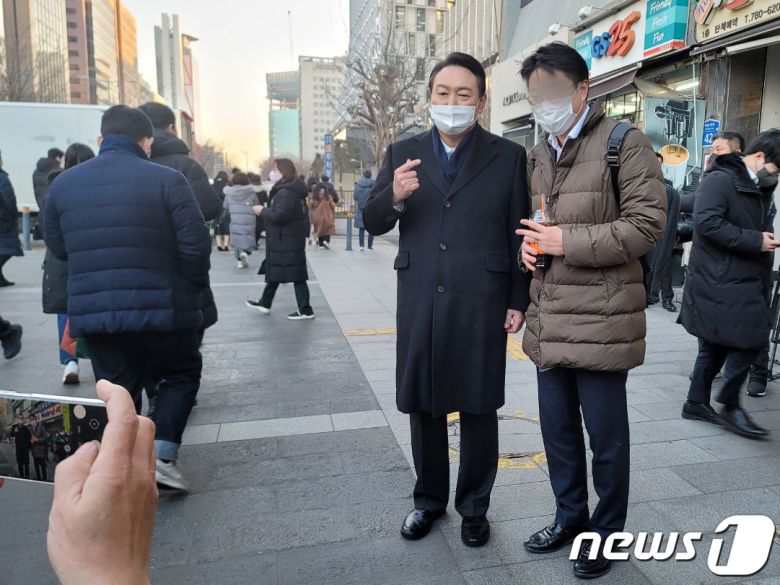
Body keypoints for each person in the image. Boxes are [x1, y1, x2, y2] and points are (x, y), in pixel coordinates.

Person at [363, 52, 530, 549]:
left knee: (479, 403)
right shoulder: (403, 151)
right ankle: (429, 500)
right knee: (424, 401)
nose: (452, 101)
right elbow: (372, 221)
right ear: (429, 98)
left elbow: (518, 230)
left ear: (480, 102)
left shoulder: (507, 156)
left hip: (483, 297)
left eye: (463, 94)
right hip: (420, 296)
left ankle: (475, 507)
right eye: (443, 92)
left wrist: (518, 297)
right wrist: (394, 194)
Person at [516, 42, 665, 579]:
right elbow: (536, 225)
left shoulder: (624, 142)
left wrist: (565, 241)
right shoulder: (537, 154)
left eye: (553, 92)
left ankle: (606, 533)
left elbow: (647, 225)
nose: (544, 104)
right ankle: (569, 518)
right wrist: (529, 249)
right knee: (557, 435)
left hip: (602, 321)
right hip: (549, 317)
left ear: (583, 89)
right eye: (535, 96)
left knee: (605, 440)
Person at [44, 105, 211, 492]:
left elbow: (59, 247)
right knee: (179, 375)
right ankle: (163, 456)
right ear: (147, 141)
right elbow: (196, 244)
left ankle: (123, 464)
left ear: (101, 139)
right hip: (165, 308)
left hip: (99, 314)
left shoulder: (64, 185)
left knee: (118, 391)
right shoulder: (168, 180)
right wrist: (191, 285)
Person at [680, 129, 780, 438]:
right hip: (718, 276)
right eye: (776, 169)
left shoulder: (759, 184)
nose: (776, 175)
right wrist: (755, 241)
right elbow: (707, 223)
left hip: (742, 274)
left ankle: (695, 403)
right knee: (751, 335)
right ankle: (730, 403)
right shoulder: (720, 179)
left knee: (715, 345)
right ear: (759, 156)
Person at [42, 143, 96, 385]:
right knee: (94, 306)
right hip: (89, 254)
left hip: (62, 258)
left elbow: (49, 230)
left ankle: (70, 361)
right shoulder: (94, 186)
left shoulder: (55, 188)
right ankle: (97, 357)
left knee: (65, 309)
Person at [246, 158, 314, 320]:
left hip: (286, 239)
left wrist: (262, 211)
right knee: (276, 270)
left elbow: (280, 215)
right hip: (284, 238)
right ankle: (265, 302)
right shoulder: (286, 189)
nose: (272, 172)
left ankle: (305, 309)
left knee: (296, 274)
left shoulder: (286, 192)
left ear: (284, 172)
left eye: (275, 169)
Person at [645, 152, 682, 312]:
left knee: (664, 267)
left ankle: (667, 299)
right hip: (648, 233)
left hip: (665, 234)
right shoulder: (643, 182)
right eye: (656, 162)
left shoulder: (668, 186)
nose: (658, 166)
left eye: (660, 163)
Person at [224, 172, 259, 268]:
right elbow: (256, 204)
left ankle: (239, 261)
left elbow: (225, 206)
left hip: (235, 220)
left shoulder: (229, 193)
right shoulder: (251, 192)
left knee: (237, 239)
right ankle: (246, 252)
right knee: (248, 237)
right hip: (249, 220)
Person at [0, 149, 23, 287]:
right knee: (8, 248)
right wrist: (14, 215)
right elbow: (9, 198)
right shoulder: (2, 177)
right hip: (3, 219)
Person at [353, 169, 375, 251]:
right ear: (370, 175)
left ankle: (361, 246)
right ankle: (369, 246)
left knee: (361, 229)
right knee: (371, 228)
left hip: (360, 208)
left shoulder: (358, 184)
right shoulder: (374, 184)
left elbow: (355, 196)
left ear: (363, 175)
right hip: (371, 208)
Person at [310, 185, 336, 249]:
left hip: (317, 216)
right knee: (328, 229)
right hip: (327, 216)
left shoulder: (315, 197)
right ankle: (326, 241)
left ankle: (321, 243)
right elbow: (333, 206)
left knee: (319, 229)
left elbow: (311, 204)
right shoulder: (328, 197)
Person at [213, 171, 231, 251]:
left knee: (217, 226)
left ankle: (219, 245)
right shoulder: (228, 184)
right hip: (226, 208)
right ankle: (226, 245)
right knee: (226, 226)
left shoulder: (213, 184)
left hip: (216, 208)